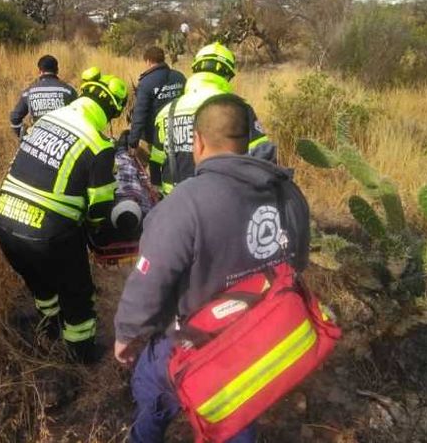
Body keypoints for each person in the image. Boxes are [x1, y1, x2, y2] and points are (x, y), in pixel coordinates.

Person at [113, 94, 311, 443]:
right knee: (237, 412)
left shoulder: (184, 204)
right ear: (247, 140)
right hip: (259, 339)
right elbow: (298, 263)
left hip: (191, 343)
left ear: (198, 141)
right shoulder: (288, 194)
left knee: (150, 386)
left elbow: (150, 281)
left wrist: (127, 335)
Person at [0, 68, 128, 363]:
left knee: (41, 284)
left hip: (4, 222)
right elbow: (99, 207)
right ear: (111, 112)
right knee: (77, 293)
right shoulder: (99, 145)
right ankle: (81, 356)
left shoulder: (47, 119)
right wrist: (98, 235)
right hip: (48, 234)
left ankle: (49, 327)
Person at [149, 43, 275, 196]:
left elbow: (156, 160)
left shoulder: (166, 112)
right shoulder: (237, 108)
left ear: (195, 70)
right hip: (221, 200)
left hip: (175, 201)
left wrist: (157, 190)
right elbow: (262, 156)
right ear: (226, 74)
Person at [127, 46, 185, 154]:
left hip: (156, 137)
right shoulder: (180, 77)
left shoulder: (146, 82)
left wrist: (133, 142)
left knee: (157, 166)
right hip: (181, 133)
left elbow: (139, 115)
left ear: (148, 61)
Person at [9, 54, 77, 137]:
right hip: (62, 141)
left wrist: (25, 136)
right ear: (57, 71)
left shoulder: (29, 92)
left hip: (37, 141)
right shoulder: (69, 91)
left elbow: (15, 118)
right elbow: (78, 117)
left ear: (40, 71)